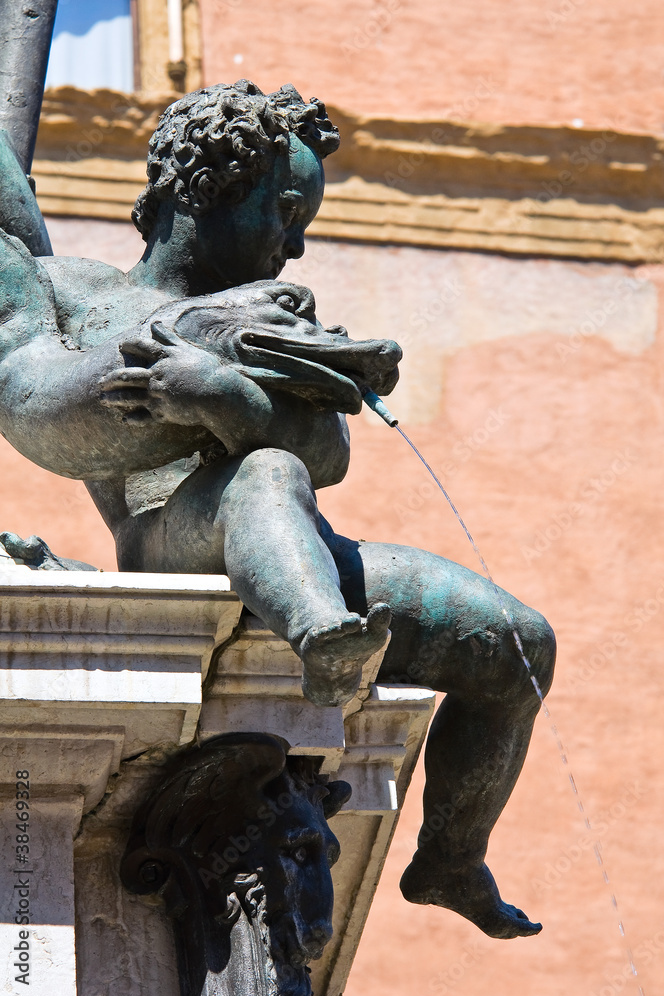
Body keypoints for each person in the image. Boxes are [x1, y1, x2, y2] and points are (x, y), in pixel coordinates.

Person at [0, 81, 555, 938]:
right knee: (262, 473)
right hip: (172, 532)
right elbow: (36, 409)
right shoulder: (75, 292)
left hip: (296, 535)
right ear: (209, 189)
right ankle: (321, 635)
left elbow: (325, 453)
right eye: (287, 212)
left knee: (516, 644)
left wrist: (220, 390)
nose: (295, 245)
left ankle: (450, 855)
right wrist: (189, 379)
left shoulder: (275, 316)